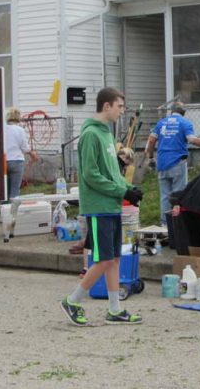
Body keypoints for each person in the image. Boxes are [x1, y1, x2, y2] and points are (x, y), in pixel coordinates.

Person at [61, 87, 144, 326]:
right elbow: (90, 175)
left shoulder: (107, 134)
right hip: (98, 207)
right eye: (119, 106)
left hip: (112, 206)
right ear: (106, 106)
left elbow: (111, 172)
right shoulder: (90, 135)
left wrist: (128, 188)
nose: (122, 111)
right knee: (104, 259)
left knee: (114, 258)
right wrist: (121, 190)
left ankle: (115, 309)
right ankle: (73, 300)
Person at [144, 104, 200, 245]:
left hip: (162, 162)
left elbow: (152, 140)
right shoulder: (184, 123)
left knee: (165, 196)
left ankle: (165, 226)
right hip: (177, 162)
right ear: (183, 114)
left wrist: (151, 158)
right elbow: (193, 140)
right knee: (179, 195)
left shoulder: (161, 123)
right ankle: (178, 225)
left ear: (171, 112)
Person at [4, 108, 37, 202]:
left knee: (5, 190)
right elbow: (25, 147)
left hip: (4, 161)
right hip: (17, 161)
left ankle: (3, 209)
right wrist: (32, 153)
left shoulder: (3, 129)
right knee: (15, 190)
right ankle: (13, 212)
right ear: (18, 117)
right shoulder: (20, 130)